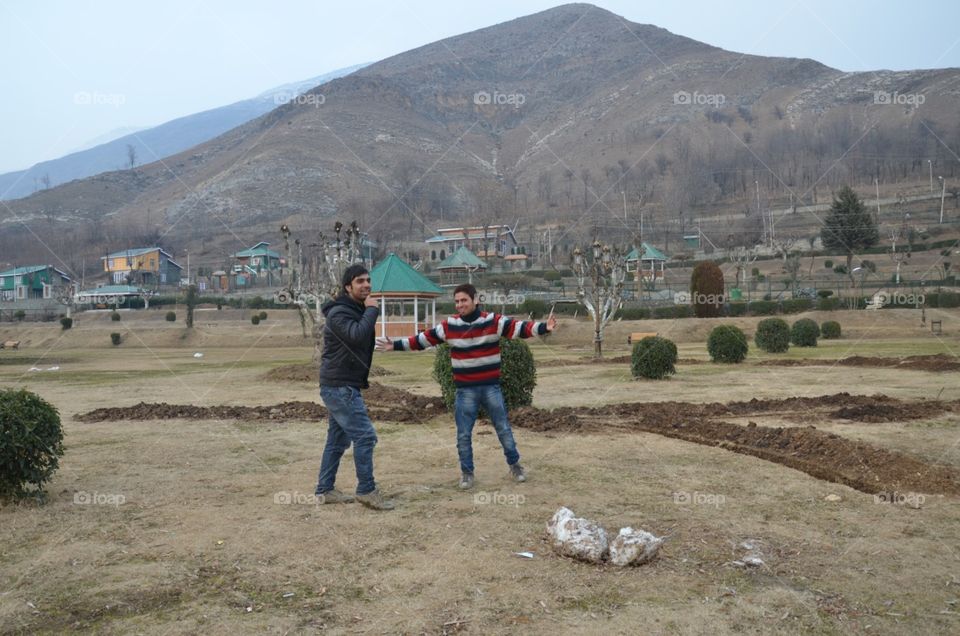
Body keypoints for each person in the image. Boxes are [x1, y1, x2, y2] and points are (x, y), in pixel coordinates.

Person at [376, 283, 557, 490]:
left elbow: (520, 328)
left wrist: (544, 327)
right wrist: (395, 345)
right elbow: (423, 340)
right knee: (463, 434)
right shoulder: (449, 326)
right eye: (457, 301)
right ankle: (467, 473)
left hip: (491, 388)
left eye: (464, 300)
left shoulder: (493, 321)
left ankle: (515, 466)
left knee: (503, 429)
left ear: (475, 300)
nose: (460, 305)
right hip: (465, 391)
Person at [315, 264, 394, 510]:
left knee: (337, 441)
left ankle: (325, 490)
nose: (367, 285)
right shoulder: (339, 313)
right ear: (348, 286)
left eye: (368, 280)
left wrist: (367, 310)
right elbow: (357, 335)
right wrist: (372, 310)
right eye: (360, 281)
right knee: (365, 436)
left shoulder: (352, 309)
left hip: (343, 385)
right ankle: (366, 490)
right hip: (340, 387)